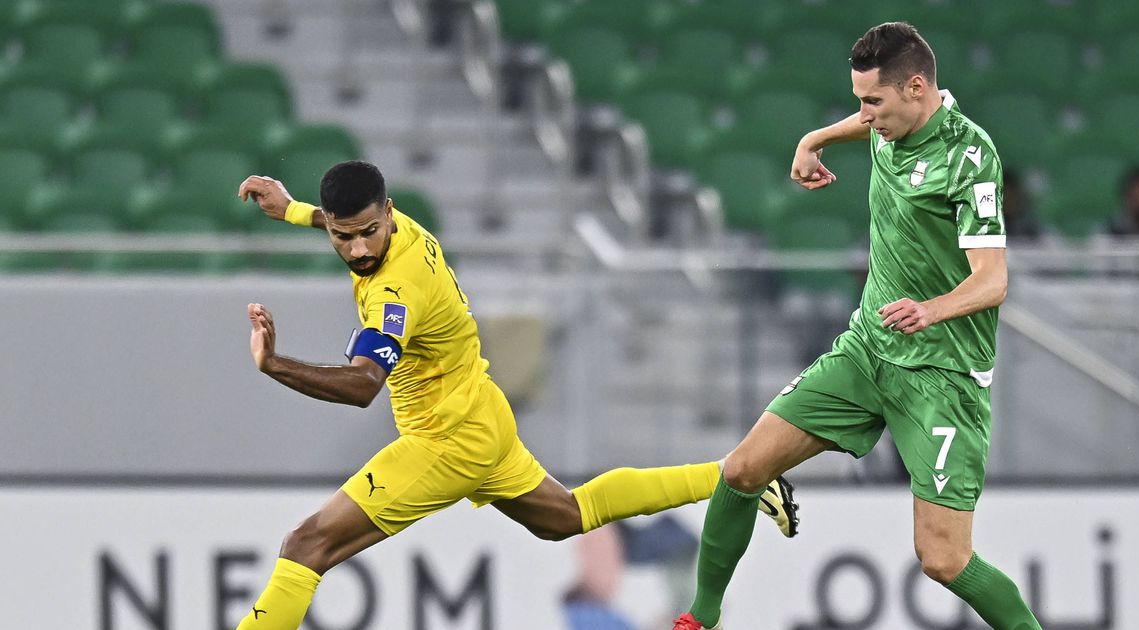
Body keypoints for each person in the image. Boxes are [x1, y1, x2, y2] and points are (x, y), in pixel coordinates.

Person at [232, 161, 799, 630]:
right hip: (481, 412)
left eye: (366, 233)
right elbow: (344, 221)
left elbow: (361, 387)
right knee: (567, 516)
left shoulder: (394, 291)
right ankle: (735, 475)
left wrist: (273, 364)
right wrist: (292, 209)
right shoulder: (392, 225)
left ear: (385, 216)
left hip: (443, 441)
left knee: (306, 546)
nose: (357, 250)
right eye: (341, 236)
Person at [671, 23, 1043, 630]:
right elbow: (863, 126)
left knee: (944, 558)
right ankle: (701, 618)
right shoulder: (888, 124)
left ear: (917, 88)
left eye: (873, 101)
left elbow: (993, 280)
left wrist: (932, 309)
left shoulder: (970, 159)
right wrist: (814, 138)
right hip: (867, 352)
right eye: (859, 101)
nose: (865, 115)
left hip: (941, 375)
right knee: (741, 469)